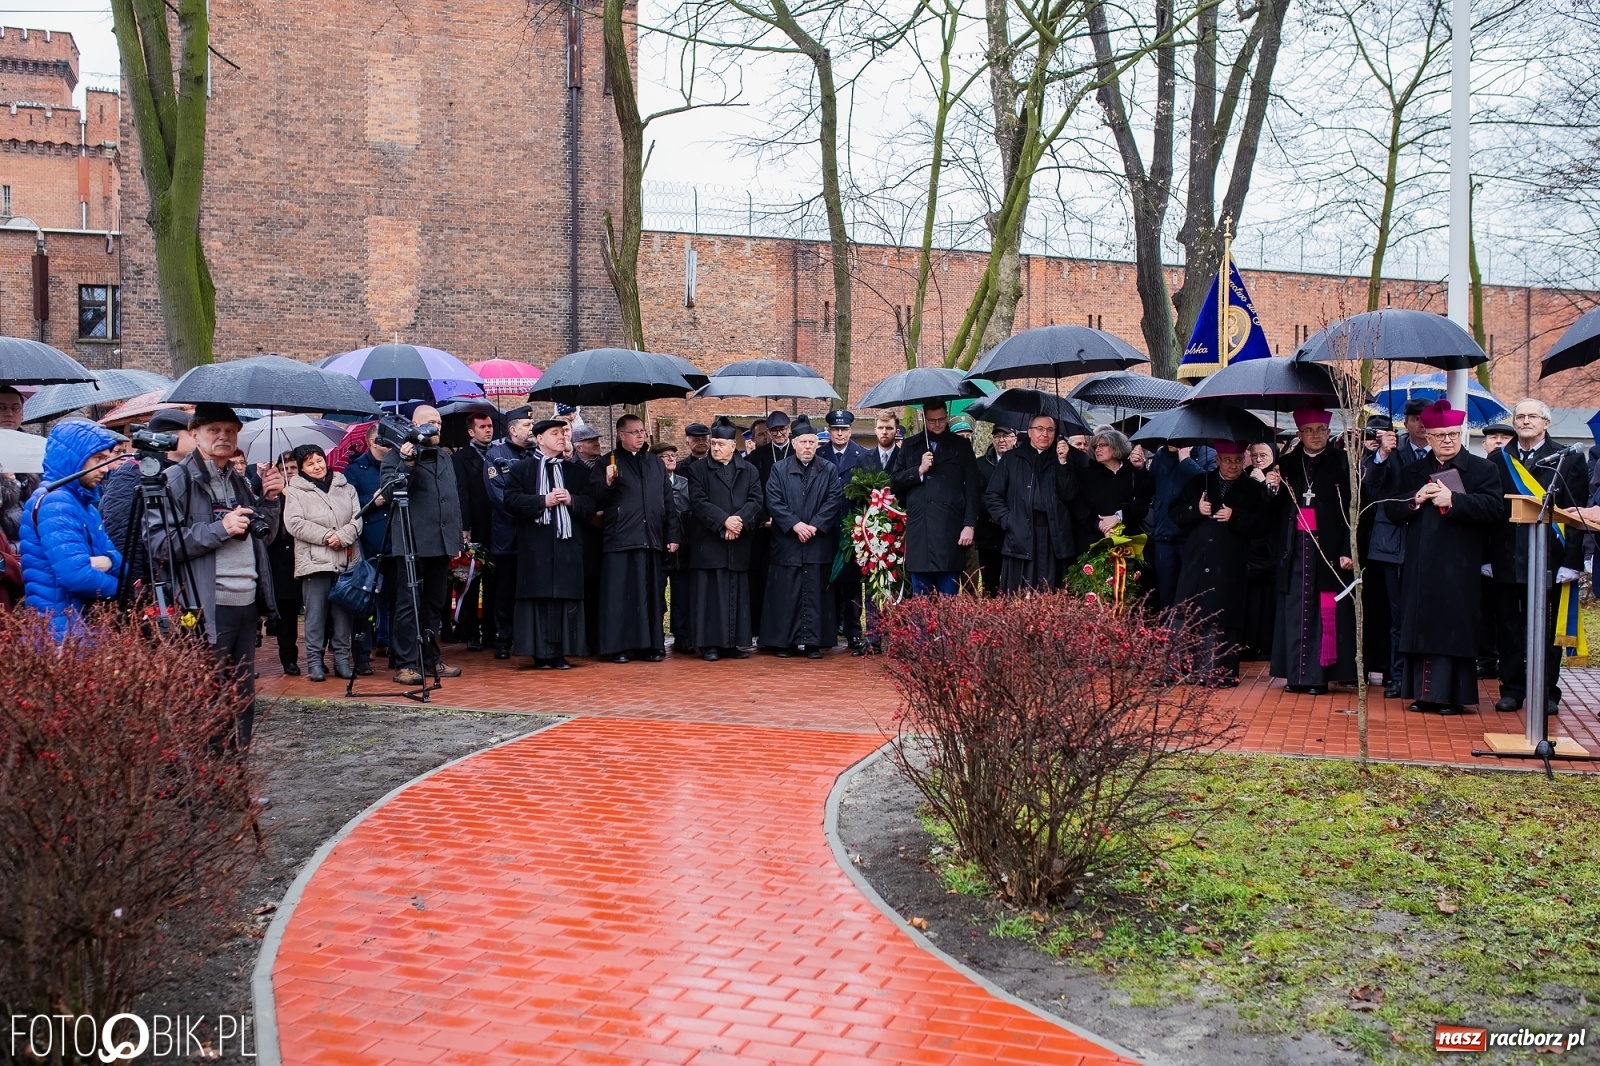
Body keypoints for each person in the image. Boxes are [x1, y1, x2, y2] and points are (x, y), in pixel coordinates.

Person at [146, 404, 285, 748]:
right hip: (204, 606)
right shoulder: (174, 480)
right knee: (206, 695)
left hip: (245, 604)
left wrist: (269, 502)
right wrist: (219, 529)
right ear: (193, 434)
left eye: (230, 430)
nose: (223, 436)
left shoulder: (237, 479)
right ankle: (207, 783)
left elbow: (261, 537)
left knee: (241, 696)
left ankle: (235, 779)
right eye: (213, 430)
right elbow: (159, 544)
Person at [1368, 401, 1503, 713]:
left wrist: (1453, 499)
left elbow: (1494, 509)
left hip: (1459, 563)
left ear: (1462, 433)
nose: (1447, 440)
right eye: (1440, 435)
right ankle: (1423, 694)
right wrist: (1414, 500)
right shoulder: (1411, 470)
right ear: (1427, 437)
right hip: (1419, 563)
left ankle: (1451, 697)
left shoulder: (1483, 468)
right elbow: (1390, 507)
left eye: (1453, 434)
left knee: (1452, 627)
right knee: (1419, 625)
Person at [1488, 398, 1587, 715]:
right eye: (1520, 416)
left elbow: (1576, 512)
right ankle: (1513, 689)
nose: (1525, 421)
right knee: (1509, 626)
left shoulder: (1568, 459)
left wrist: (1572, 562)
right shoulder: (1499, 459)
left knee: (1546, 628)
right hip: (1507, 556)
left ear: (1546, 422)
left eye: (1533, 416)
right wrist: (1486, 557)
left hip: (1551, 557)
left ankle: (1546, 691)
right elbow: (1493, 512)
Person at [1268, 408, 1356, 695]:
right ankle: (1295, 675)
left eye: (1321, 429)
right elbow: (1275, 511)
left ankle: (1318, 678)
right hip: (1295, 549)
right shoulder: (1287, 463)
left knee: (1323, 611)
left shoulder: (1344, 462)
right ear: (1299, 434)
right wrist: (1271, 488)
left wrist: (1348, 549)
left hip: (1328, 549)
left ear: (1329, 432)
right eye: (1309, 430)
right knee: (1295, 609)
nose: (1315, 435)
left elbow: (1354, 512)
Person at [379, 405, 466, 685]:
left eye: (439, 422)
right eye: (430, 422)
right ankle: (404, 663)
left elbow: (450, 499)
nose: (436, 427)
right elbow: (391, 493)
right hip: (412, 542)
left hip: (441, 542)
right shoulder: (395, 457)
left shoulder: (444, 456)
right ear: (414, 425)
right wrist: (408, 463)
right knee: (408, 605)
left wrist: (457, 535)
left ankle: (430, 659)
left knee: (434, 604)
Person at [1169, 440, 1268, 685]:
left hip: (1229, 563)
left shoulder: (1254, 489)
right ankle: (1178, 671)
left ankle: (1216, 673)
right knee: (1185, 611)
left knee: (1221, 615)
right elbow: (1174, 513)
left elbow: (1263, 525)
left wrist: (1235, 517)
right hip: (1196, 559)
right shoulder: (1199, 482)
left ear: (1244, 459)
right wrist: (1196, 508)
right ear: (1217, 460)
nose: (1233, 465)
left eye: (1237, 460)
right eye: (1227, 460)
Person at [501, 418, 594, 668]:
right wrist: (543, 501)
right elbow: (510, 502)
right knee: (539, 600)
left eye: (564, 433)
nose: (562, 437)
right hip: (536, 546)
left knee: (565, 600)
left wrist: (572, 499)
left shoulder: (574, 471)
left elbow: (591, 505)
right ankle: (540, 652)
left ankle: (562, 651)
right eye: (555, 433)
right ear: (540, 439)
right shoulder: (522, 469)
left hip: (567, 546)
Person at [19, 420, 124, 639]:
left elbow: (119, 559)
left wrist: (110, 562)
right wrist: (123, 587)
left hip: (78, 624)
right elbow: (77, 575)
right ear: (74, 459)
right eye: (98, 459)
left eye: (106, 459)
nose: (104, 469)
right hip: (59, 628)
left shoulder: (83, 503)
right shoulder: (56, 503)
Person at [594, 414, 680, 663]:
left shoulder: (654, 463)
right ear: (622, 435)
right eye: (634, 432)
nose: (641, 435)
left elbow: (668, 501)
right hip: (621, 538)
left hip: (651, 536)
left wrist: (672, 533)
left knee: (650, 594)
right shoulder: (607, 463)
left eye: (642, 431)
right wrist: (607, 482)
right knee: (620, 595)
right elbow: (595, 499)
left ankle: (650, 645)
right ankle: (618, 647)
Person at [1362, 401, 1431, 698]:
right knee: (1397, 613)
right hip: (1393, 543)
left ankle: (1424, 675)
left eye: (1426, 419)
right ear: (1406, 422)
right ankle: (1398, 674)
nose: (1422, 425)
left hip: (1428, 542)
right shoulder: (1393, 450)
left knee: (1425, 610)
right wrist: (1382, 454)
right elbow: (1371, 484)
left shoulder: (1441, 452)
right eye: (1415, 419)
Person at [684, 417, 765, 660]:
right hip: (709, 544)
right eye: (714, 443)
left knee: (735, 593)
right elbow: (698, 502)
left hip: (737, 542)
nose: (715, 448)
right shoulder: (697, 469)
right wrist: (723, 521)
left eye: (721, 444)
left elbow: (756, 500)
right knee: (709, 595)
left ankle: (732, 643)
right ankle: (709, 644)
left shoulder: (749, 470)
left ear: (733, 445)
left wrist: (738, 521)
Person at [761, 416, 843, 658]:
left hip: (817, 543)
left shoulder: (828, 469)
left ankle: (813, 643)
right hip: (788, 544)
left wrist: (815, 526)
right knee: (787, 594)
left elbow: (833, 500)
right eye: (803, 442)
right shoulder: (779, 469)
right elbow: (773, 501)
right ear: (794, 443)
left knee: (816, 596)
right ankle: (784, 642)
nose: (808, 446)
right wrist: (795, 525)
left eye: (812, 442)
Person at [282, 444, 362, 681]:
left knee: (343, 615)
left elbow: (357, 519)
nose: (317, 466)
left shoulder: (345, 487)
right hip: (315, 562)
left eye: (319, 460)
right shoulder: (295, 491)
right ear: (302, 468)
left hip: (346, 560)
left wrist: (343, 536)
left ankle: (341, 660)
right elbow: (295, 523)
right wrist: (328, 537)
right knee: (315, 616)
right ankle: (315, 663)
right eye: (310, 463)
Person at [98, 409, 197, 596]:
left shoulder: (180, 472)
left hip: (171, 578)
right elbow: (122, 532)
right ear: (171, 437)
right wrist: (135, 585)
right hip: (144, 581)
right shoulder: (133, 473)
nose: (198, 439)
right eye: (193, 435)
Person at [891, 401, 980, 596]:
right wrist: (919, 470)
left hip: (950, 530)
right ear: (924, 418)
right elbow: (895, 483)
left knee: (948, 602)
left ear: (947, 416)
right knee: (921, 602)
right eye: (932, 421)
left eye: (941, 419)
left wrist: (969, 524)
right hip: (920, 531)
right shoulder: (910, 446)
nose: (937, 424)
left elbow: (973, 488)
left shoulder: (961, 446)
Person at [983, 415, 1078, 592]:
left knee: (1050, 592)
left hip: (1053, 534)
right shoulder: (1012, 459)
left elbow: (1069, 495)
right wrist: (1008, 520)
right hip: (1020, 533)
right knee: (1020, 592)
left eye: (1050, 430)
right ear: (1029, 432)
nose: (1045, 434)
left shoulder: (1062, 458)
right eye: (1040, 429)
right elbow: (993, 495)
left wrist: (1063, 462)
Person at [483, 406, 534, 659]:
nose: (531, 429)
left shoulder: (536, 455)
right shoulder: (496, 455)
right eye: (526, 425)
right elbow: (498, 496)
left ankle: (526, 637)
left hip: (534, 535)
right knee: (505, 590)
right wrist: (530, 510)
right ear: (513, 429)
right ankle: (503, 639)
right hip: (508, 534)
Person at [342, 422, 391, 676]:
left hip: (394, 541)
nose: (389, 447)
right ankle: (362, 655)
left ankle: (389, 644)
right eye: (384, 442)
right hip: (368, 544)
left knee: (394, 599)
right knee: (365, 603)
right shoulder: (355, 470)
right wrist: (373, 500)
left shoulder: (395, 466)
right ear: (372, 443)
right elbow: (348, 506)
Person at [821, 409, 871, 650]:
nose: (839, 433)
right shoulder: (819, 454)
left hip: (852, 529)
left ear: (850, 431)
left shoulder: (863, 456)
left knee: (852, 583)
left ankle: (853, 630)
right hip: (825, 529)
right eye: (835, 429)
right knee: (827, 582)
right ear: (829, 431)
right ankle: (828, 630)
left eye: (843, 429)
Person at [1071, 427, 1153, 562]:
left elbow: (1142, 503)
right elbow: (1078, 506)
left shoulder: (1132, 471)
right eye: (1096, 446)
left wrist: (1118, 517)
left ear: (1116, 447)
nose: (1098, 449)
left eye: (1103, 445)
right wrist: (1099, 524)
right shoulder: (1086, 474)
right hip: (1093, 543)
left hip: (1127, 544)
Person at [452, 412, 497, 652]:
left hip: (495, 524)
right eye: (482, 427)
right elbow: (462, 493)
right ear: (472, 431)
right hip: (475, 524)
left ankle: (490, 631)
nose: (488, 430)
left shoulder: (497, 454)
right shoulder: (462, 458)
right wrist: (464, 527)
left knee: (493, 581)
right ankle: (470, 631)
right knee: (470, 579)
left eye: (490, 426)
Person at [1145, 443, 1210, 610]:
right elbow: (1150, 487)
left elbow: (1208, 486)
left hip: (1191, 535)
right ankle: (1165, 632)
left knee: (1189, 593)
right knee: (1165, 593)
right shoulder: (1161, 455)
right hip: (1164, 534)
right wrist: (1139, 469)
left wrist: (1186, 461)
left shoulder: (1207, 453)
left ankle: (1187, 633)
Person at [747, 410, 794, 632]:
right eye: (774, 430)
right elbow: (753, 492)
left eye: (782, 429)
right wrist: (765, 518)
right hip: (765, 528)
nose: (779, 434)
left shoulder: (799, 451)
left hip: (793, 528)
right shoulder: (757, 457)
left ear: (789, 429)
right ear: (768, 431)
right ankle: (762, 627)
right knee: (763, 578)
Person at [264, 451, 303, 675]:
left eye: (293, 468)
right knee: (287, 617)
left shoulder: (306, 493)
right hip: (281, 562)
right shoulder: (271, 497)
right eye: (284, 468)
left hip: (306, 559)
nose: (288, 472)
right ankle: (289, 659)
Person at [655, 443, 694, 654]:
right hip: (659, 547)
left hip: (683, 547)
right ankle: (656, 636)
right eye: (664, 456)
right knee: (657, 593)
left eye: (673, 455)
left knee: (682, 593)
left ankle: (682, 636)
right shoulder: (652, 484)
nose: (671, 459)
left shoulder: (686, 484)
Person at [973, 425, 1015, 595]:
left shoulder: (1021, 462)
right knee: (990, 583)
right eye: (997, 436)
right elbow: (976, 494)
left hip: (1014, 531)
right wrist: (996, 514)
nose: (1001, 440)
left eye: (1005, 436)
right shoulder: (981, 464)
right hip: (988, 532)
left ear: (1015, 438)